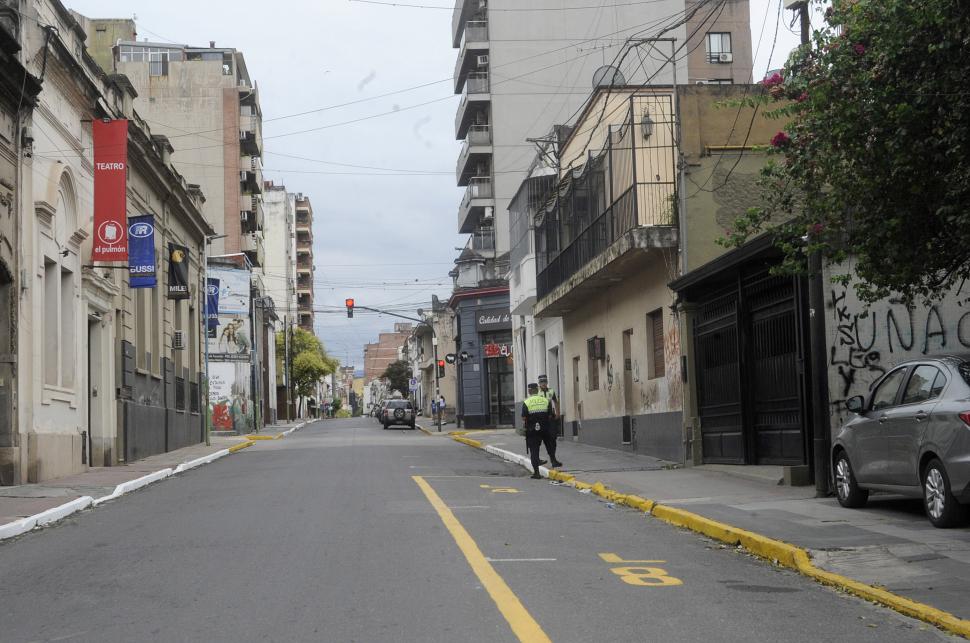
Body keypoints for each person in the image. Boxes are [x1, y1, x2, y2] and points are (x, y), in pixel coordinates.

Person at [521, 383, 563, 479]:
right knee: (550, 445)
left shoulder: (526, 402)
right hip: (545, 429)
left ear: (529, 391)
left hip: (532, 430)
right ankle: (553, 460)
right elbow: (549, 415)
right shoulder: (545, 401)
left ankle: (536, 473)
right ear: (537, 389)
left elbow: (523, 417)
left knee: (534, 450)